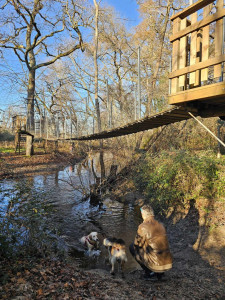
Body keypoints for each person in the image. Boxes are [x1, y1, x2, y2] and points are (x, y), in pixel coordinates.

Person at [129, 204, 173, 280]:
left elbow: (137, 244)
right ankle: (160, 273)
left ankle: (149, 272)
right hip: (168, 264)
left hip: (156, 265)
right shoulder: (161, 225)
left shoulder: (142, 226)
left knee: (132, 247)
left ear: (143, 215)